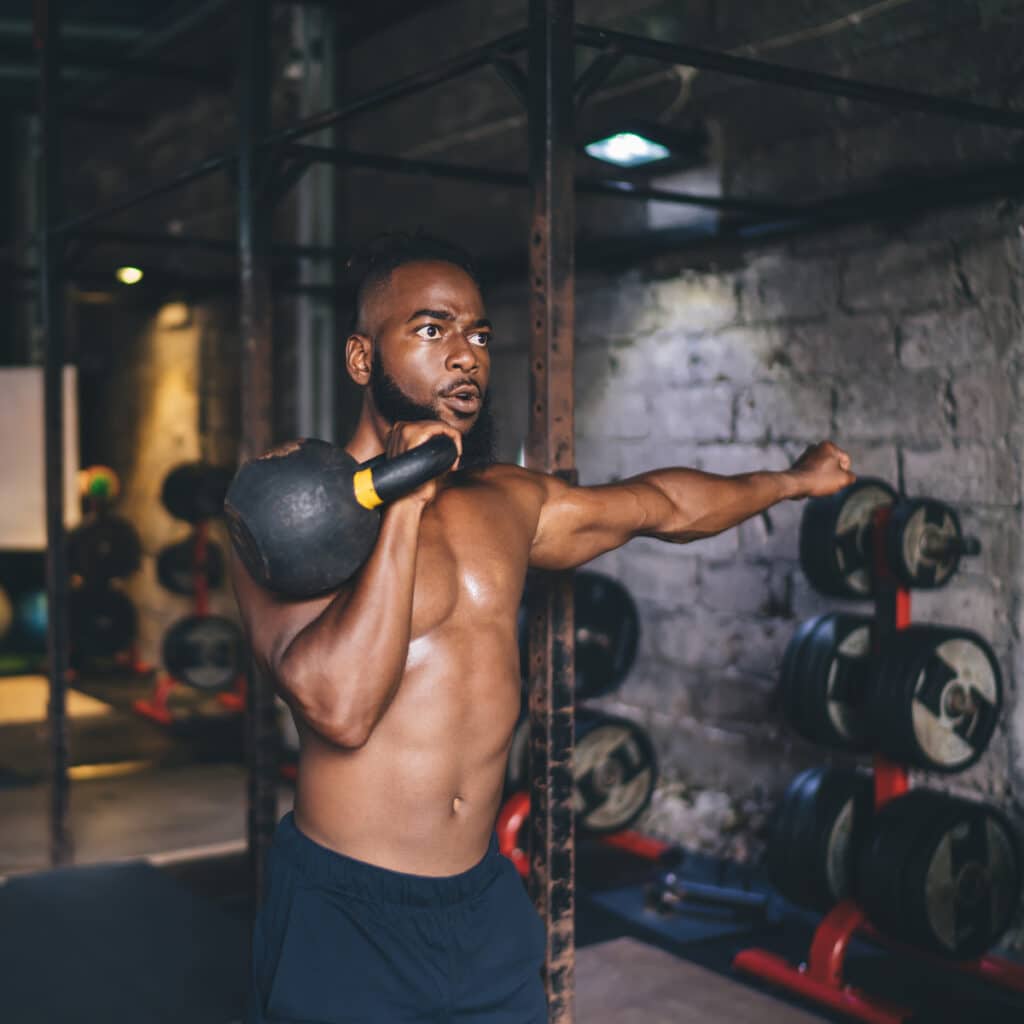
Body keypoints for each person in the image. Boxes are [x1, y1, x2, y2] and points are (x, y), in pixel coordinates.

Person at [231, 232, 856, 1024]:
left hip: (483, 899)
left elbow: (663, 507)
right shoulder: (292, 509)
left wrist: (792, 482)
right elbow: (338, 706)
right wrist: (403, 498)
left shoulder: (506, 501)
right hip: (346, 908)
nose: (464, 354)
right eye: (431, 330)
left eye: (478, 334)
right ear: (361, 359)